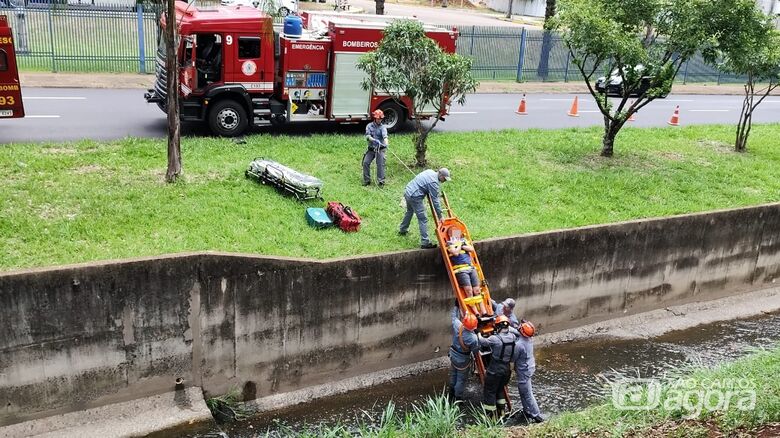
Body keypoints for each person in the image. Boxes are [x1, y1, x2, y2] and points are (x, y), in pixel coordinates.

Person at [399, 168, 451, 249]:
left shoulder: (430, 171)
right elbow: (435, 201)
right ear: (440, 174)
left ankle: (402, 230)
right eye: (444, 179)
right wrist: (440, 216)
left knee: (409, 211)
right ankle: (425, 242)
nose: (444, 181)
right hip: (414, 196)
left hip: (408, 191)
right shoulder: (434, 183)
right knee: (423, 219)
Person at [478, 315, 518, 418]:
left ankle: (491, 417)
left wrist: (477, 334)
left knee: (490, 392)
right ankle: (501, 413)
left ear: (498, 327)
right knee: (500, 389)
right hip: (506, 370)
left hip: (495, 370)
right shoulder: (513, 337)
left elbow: (483, 342)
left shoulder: (495, 339)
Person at [447, 227, 487, 316]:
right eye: (454, 232)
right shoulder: (449, 243)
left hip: (471, 268)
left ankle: (484, 312)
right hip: (461, 270)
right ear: (450, 234)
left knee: (477, 290)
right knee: (468, 290)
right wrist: (460, 245)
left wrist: (461, 244)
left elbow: (471, 249)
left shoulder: (463, 240)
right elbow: (455, 253)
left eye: (457, 232)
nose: (456, 234)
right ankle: (476, 312)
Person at [515, 320, 544, 423]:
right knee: (522, 390)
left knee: (527, 393)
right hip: (529, 367)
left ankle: (537, 416)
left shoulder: (519, 345)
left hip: (524, 371)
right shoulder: (529, 339)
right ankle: (526, 410)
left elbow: (513, 358)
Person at [449, 306, 479, 401]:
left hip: (453, 355)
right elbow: (475, 351)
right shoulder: (473, 338)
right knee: (461, 380)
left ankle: (450, 395)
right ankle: (458, 399)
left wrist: (456, 306)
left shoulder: (458, 325)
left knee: (453, 375)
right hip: (463, 360)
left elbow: (453, 317)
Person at [363, 110, 388, 186]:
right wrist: (374, 140)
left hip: (380, 149)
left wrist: (386, 144)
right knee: (365, 163)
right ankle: (367, 181)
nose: (379, 120)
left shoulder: (383, 127)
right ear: (375, 118)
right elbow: (367, 136)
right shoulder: (369, 126)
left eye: (381, 119)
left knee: (380, 164)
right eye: (378, 119)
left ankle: (381, 181)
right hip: (371, 149)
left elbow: (385, 137)